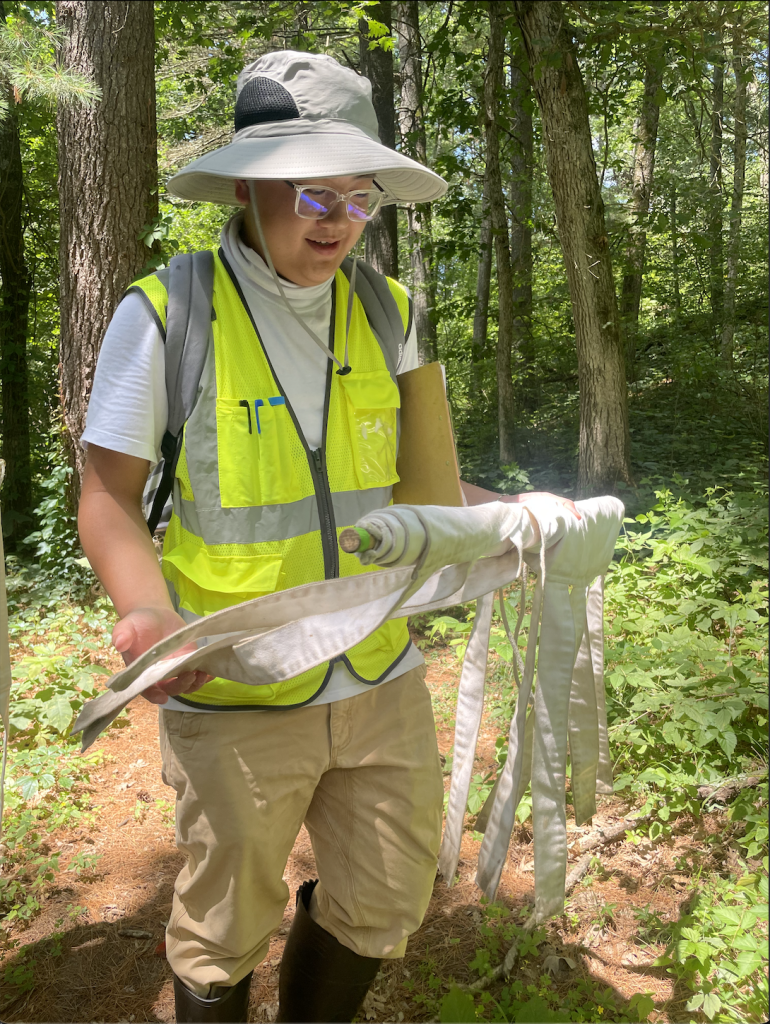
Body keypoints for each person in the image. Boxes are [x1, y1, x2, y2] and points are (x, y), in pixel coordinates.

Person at [79, 51, 576, 1023]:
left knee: (387, 894)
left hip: (379, 664)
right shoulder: (167, 315)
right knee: (223, 927)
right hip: (236, 678)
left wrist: (523, 515)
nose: (336, 221)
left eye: (358, 198)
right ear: (249, 182)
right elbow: (106, 495)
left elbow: (425, 498)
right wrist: (146, 609)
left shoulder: (390, 316)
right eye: (312, 192)